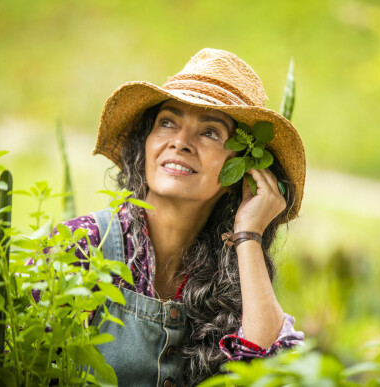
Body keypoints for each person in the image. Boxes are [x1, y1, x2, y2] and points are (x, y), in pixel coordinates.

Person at [61, 48, 306, 386]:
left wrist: (248, 235)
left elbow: (270, 374)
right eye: (167, 122)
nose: (180, 142)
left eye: (210, 132)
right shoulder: (83, 245)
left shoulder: (232, 277)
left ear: (242, 171)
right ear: (144, 143)